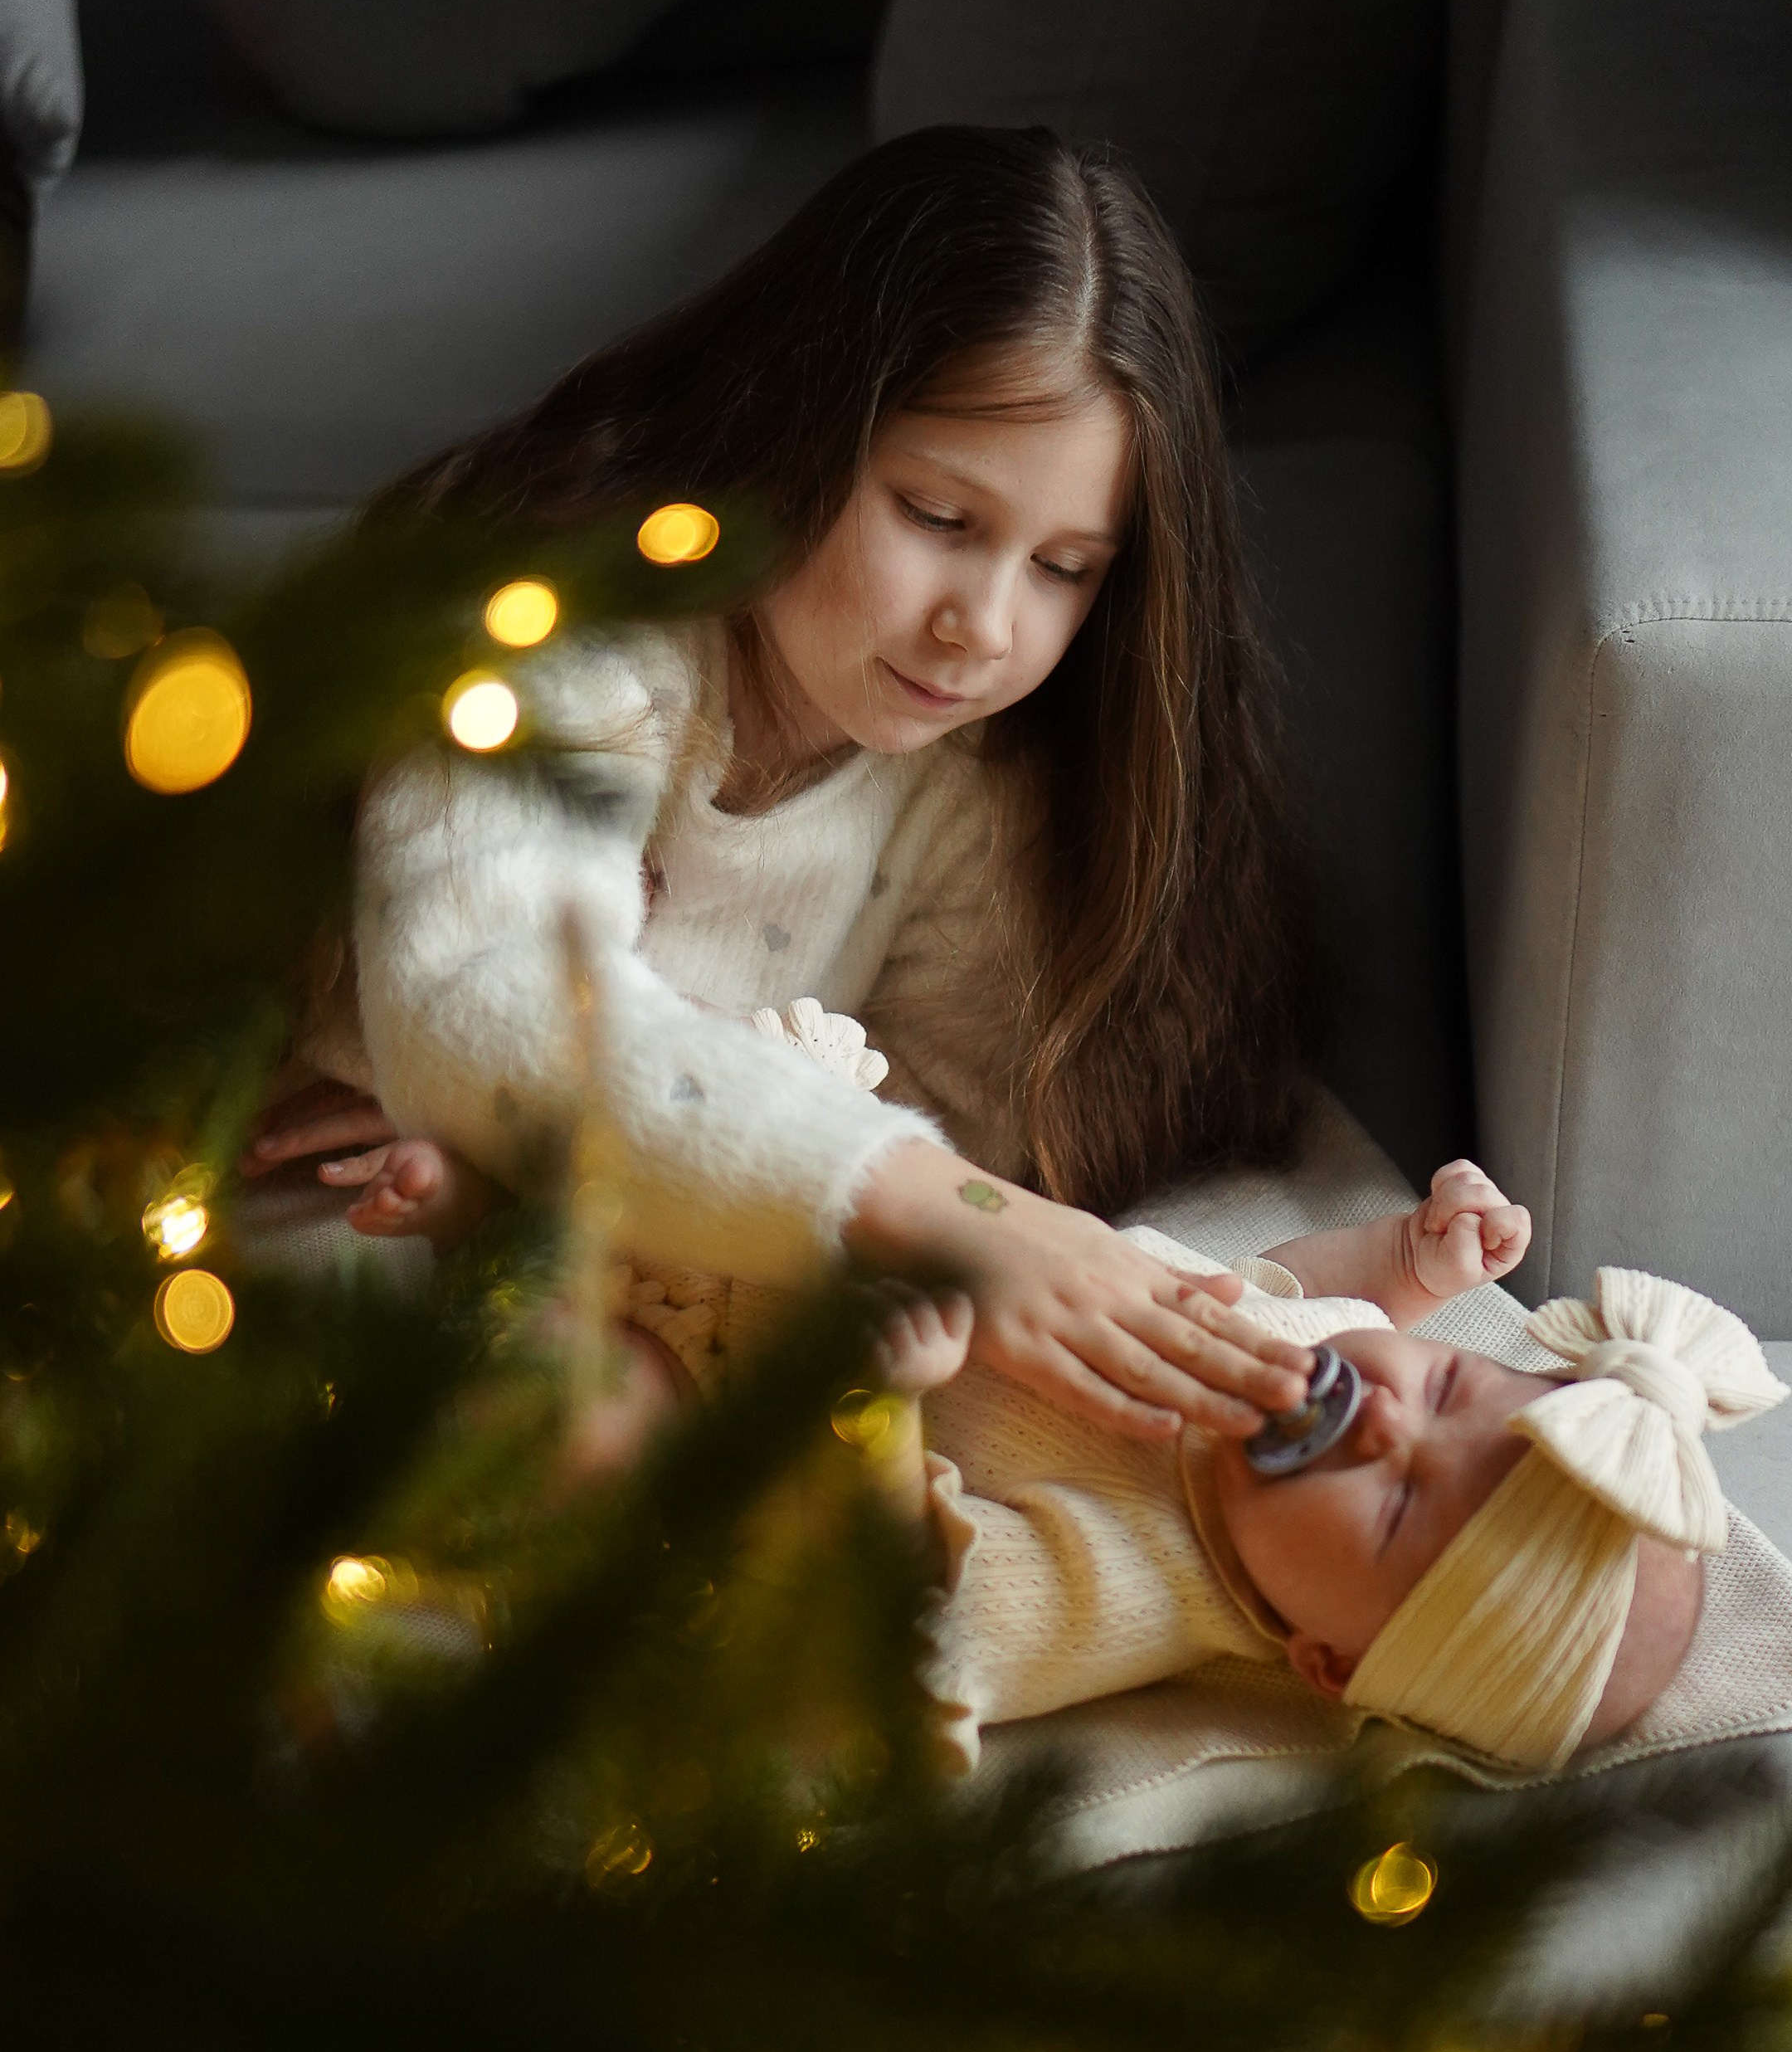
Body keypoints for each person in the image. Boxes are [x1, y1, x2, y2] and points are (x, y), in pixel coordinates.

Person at [242, 124, 1328, 1454]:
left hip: (621, 1303)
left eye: (1065, 568)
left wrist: (569, 1120)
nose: (983, 627)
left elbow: (962, 1117)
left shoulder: (978, 785)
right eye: (937, 517)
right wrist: (491, 1078)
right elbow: (495, 1004)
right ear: (793, 417)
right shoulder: (564, 633)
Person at [900, 1167, 1787, 1777]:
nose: (1382, 1416)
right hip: (927, 1198)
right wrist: (1407, 1262)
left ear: (1332, 1663)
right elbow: (1274, 1290)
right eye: (1444, 1385)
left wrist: (883, 1397)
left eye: (1399, 1506)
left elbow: (905, 1629)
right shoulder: (1311, 1356)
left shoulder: (1124, 1582)